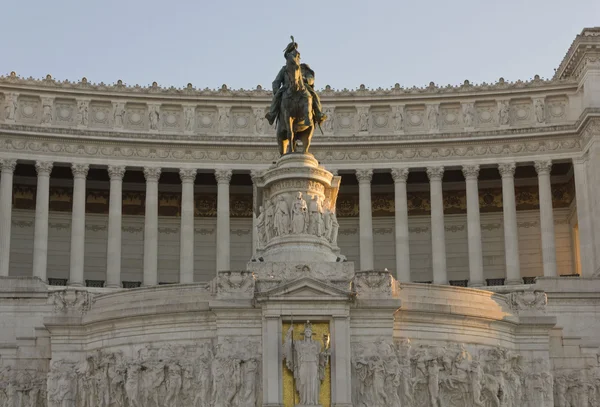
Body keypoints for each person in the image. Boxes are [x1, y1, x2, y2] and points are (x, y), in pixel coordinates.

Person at [265, 38, 327, 127]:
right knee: (277, 97)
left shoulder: (304, 68)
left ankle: (319, 114)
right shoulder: (284, 69)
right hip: (287, 88)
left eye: (296, 55)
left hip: (303, 87)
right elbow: (276, 82)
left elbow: (311, 78)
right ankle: (272, 114)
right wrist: (276, 91)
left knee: (313, 95)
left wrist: (306, 80)